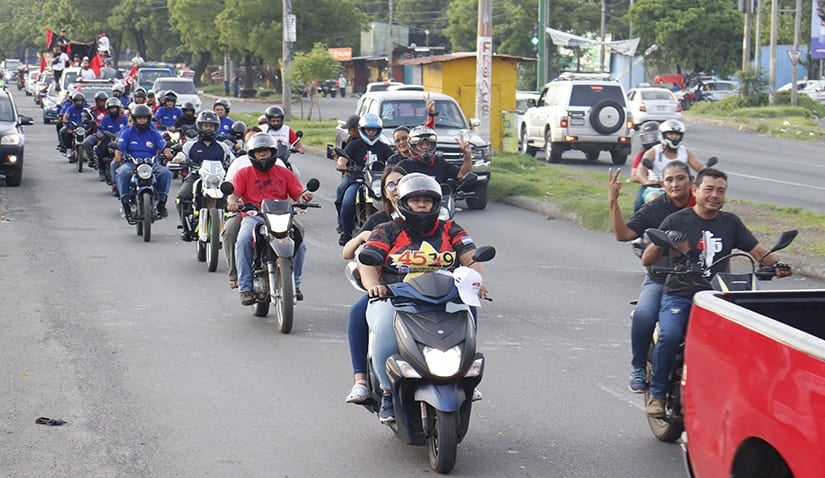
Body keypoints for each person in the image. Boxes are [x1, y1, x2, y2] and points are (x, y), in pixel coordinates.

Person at [640, 168, 792, 417]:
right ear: (695, 190)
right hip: (680, 294)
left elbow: (758, 252)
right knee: (669, 335)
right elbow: (647, 259)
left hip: (719, 298)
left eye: (720, 191)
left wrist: (776, 265)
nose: (714, 195)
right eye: (709, 189)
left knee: (752, 339)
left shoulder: (730, 222)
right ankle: (657, 395)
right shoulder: (677, 220)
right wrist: (664, 241)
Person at [357, 172, 487, 422]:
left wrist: (477, 281)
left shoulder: (450, 228)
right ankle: (386, 391)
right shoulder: (387, 229)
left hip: (444, 295)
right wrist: (374, 285)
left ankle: (462, 375)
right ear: (403, 203)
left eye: (427, 200)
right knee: (383, 326)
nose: (422, 205)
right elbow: (368, 258)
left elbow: (470, 255)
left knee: (469, 310)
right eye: (415, 200)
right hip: (397, 298)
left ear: (436, 203)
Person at [608, 161, 696, 393]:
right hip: (661, 279)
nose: (675, 184)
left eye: (680, 178)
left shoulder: (703, 206)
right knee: (644, 314)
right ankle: (638, 367)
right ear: (662, 184)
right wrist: (613, 201)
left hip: (699, 279)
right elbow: (623, 234)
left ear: (692, 181)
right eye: (669, 180)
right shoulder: (655, 209)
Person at [343, 165, 406, 404]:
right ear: (384, 191)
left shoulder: (430, 218)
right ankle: (361, 380)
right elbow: (348, 253)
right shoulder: (379, 221)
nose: (397, 188)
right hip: (387, 287)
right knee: (358, 312)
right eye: (391, 184)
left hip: (426, 287)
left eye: (402, 182)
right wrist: (360, 237)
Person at [227, 133, 313, 304]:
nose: (262, 155)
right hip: (254, 217)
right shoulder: (243, 173)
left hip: (281, 216)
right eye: (258, 152)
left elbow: (298, 192)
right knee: (243, 240)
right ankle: (245, 287)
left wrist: (304, 196)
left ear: (273, 152)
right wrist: (232, 202)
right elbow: (233, 195)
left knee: (299, 243)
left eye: (265, 151)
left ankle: (295, 285)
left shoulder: (284, 173)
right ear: (252, 154)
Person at [171, 110, 235, 241]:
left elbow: (233, 161)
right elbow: (181, 155)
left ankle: (230, 227)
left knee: (234, 199)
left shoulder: (223, 147)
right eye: (205, 126)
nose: (208, 129)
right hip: (196, 177)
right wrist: (178, 160)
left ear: (216, 128)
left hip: (219, 179)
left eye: (211, 126)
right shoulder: (190, 145)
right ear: (199, 126)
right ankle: (186, 228)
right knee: (182, 198)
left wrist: (238, 165)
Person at [337, 113, 394, 246]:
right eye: (368, 129)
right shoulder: (354, 145)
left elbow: (393, 161)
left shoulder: (384, 147)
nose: (371, 132)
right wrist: (342, 163)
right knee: (347, 201)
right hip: (358, 180)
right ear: (362, 130)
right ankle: (346, 231)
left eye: (374, 130)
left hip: (378, 183)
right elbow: (343, 157)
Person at [113, 104, 174, 221]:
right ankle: (125, 204)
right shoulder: (127, 132)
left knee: (166, 173)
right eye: (139, 118)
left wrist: (167, 152)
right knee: (122, 173)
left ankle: (161, 203)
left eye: (144, 118)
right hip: (132, 163)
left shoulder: (153, 132)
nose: (142, 120)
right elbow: (120, 146)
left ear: (148, 119)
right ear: (135, 119)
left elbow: (163, 145)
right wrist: (118, 155)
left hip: (151, 164)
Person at [223, 126, 263, 289]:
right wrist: (232, 202)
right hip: (246, 211)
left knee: (297, 234)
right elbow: (231, 188)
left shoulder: (279, 164)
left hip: (274, 213)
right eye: (250, 140)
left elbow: (292, 189)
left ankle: (291, 278)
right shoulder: (239, 164)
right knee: (231, 231)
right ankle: (235, 275)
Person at [636, 120, 707, 200]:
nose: (674, 137)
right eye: (670, 134)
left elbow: (700, 168)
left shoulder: (685, 152)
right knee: (655, 200)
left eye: (677, 134)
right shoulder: (653, 151)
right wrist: (647, 182)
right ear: (662, 135)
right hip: (657, 189)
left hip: (681, 190)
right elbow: (640, 171)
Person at [396, 125, 473, 184]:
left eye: (428, 144)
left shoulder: (441, 164)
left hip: (438, 203)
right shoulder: (404, 166)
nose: (425, 147)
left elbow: (462, 174)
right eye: (420, 144)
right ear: (413, 146)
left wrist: (467, 155)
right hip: (412, 203)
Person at [629, 121, 661, 213]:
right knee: (638, 204)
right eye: (647, 137)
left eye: (652, 136)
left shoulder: (666, 152)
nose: (650, 140)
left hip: (668, 184)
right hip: (649, 185)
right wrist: (647, 181)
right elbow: (633, 176)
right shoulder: (641, 155)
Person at [97, 97, 128, 185]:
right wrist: (100, 134)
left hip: (121, 140)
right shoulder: (105, 119)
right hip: (108, 139)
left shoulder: (124, 118)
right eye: (111, 108)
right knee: (100, 150)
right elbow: (101, 129)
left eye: (114, 108)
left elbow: (127, 128)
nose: (113, 110)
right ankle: (102, 170)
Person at [59, 92, 91, 157]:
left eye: (80, 101)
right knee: (65, 132)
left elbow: (92, 115)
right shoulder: (71, 108)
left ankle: (89, 152)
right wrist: (65, 120)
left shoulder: (87, 107)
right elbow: (66, 116)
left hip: (84, 126)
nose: (78, 103)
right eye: (77, 101)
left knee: (92, 134)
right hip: (73, 126)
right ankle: (68, 149)